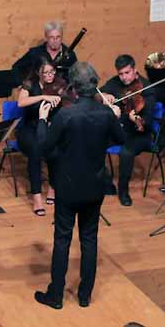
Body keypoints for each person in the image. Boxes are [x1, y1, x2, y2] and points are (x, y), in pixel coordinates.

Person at [34, 62, 125, 310]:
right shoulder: (105, 113)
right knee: (89, 239)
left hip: (67, 186)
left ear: (73, 86)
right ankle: (85, 295)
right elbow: (121, 139)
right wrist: (116, 116)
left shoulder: (66, 114)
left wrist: (42, 120)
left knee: (62, 239)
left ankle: (56, 296)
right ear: (94, 83)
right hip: (95, 185)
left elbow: (44, 147)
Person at [99, 54, 157, 206]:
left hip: (140, 133)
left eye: (127, 73)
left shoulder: (147, 89)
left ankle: (123, 191)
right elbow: (98, 93)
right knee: (93, 144)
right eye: (121, 74)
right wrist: (105, 95)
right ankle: (107, 183)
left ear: (134, 70)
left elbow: (148, 121)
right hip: (119, 129)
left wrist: (137, 119)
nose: (124, 77)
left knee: (126, 152)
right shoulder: (115, 82)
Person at [16, 58, 61, 215]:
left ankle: (52, 189)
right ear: (38, 73)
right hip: (28, 128)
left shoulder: (58, 84)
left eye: (52, 72)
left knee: (55, 151)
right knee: (35, 152)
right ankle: (36, 197)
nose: (50, 75)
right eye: (46, 73)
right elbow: (21, 102)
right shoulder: (30, 83)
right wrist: (43, 97)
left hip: (48, 126)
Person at [12, 20, 78, 82]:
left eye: (58, 37)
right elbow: (16, 68)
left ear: (62, 37)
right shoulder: (35, 53)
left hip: (62, 93)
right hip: (39, 92)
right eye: (51, 37)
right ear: (46, 37)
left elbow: (77, 76)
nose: (55, 41)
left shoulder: (70, 55)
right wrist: (23, 85)